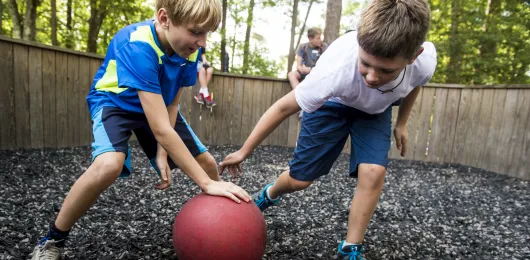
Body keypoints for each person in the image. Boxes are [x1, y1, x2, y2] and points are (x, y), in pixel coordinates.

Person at [30, 0, 251, 259]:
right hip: (116, 102)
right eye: (196, 32)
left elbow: (172, 102)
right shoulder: (137, 45)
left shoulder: (189, 51)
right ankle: (52, 240)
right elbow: (160, 127)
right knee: (109, 165)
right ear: (164, 18)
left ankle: (223, 227)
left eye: (206, 33)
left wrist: (162, 151)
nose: (203, 42)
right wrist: (203, 183)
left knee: (207, 162)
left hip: (157, 105)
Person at [218, 0, 436, 259]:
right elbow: (281, 108)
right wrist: (244, 150)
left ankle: (351, 247)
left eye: (386, 69)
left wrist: (402, 123)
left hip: (374, 112)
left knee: (374, 172)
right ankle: (270, 193)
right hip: (332, 103)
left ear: (413, 56)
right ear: (358, 46)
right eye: (366, 63)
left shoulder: (424, 61)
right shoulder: (335, 69)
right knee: (300, 180)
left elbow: (415, 83)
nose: (372, 77)